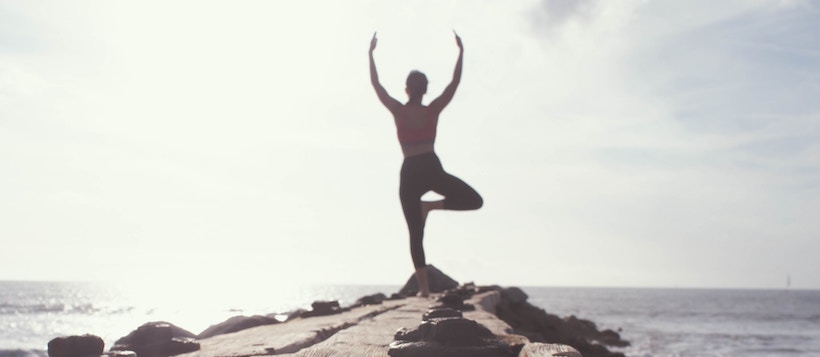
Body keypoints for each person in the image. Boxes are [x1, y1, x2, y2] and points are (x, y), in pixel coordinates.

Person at [369, 31, 483, 297]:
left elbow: (377, 86)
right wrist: (461, 53)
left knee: (415, 232)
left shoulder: (399, 110)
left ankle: (424, 289)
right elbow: (454, 85)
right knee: (474, 200)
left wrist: (370, 55)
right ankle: (431, 206)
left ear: (407, 89)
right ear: (425, 89)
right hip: (430, 167)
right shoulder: (432, 110)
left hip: (410, 170)